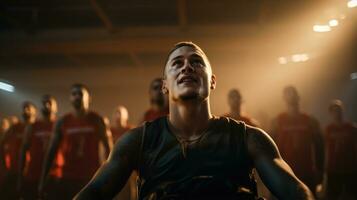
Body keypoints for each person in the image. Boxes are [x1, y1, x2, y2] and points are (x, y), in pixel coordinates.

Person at [75, 42, 314, 200]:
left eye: (196, 62)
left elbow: (296, 191)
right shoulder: (138, 140)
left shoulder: (249, 138)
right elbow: (95, 191)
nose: (187, 66)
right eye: (177, 63)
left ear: (212, 81)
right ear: (165, 85)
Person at [38, 83, 113, 199]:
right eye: (74, 94)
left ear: (89, 98)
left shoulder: (97, 120)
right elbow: (51, 152)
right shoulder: (62, 122)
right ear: (70, 98)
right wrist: (42, 180)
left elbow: (110, 150)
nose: (77, 96)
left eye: (80, 94)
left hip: (91, 177)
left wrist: (109, 178)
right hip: (67, 177)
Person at [271, 86, 324, 195]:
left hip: (307, 172)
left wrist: (320, 169)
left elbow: (320, 147)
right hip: (286, 172)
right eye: (288, 94)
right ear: (283, 98)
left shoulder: (310, 120)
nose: (291, 96)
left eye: (293, 93)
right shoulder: (277, 121)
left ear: (298, 97)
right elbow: (270, 148)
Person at [17, 95, 61, 199]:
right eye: (44, 103)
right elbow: (23, 151)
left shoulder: (60, 125)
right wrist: (20, 176)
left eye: (49, 103)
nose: (46, 105)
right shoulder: (33, 126)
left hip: (53, 175)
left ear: (56, 108)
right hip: (33, 175)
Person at [0, 102, 37, 199]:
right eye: (24, 108)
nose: (25, 111)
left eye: (28, 108)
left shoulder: (38, 128)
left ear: (35, 112)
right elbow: (2, 144)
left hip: (31, 174)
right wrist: (4, 166)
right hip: (13, 172)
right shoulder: (15, 128)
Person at [324, 100, 357, 200]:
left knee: (351, 195)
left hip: (350, 169)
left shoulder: (352, 128)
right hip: (333, 169)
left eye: (339, 110)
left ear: (342, 111)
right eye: (334, 110)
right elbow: (325, 149)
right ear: (331, 113)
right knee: (333, 196)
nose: (337, 113)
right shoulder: (328, 129)